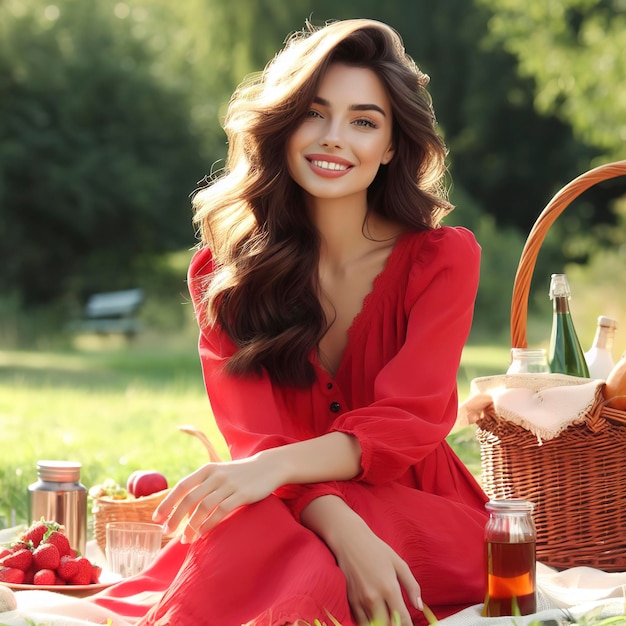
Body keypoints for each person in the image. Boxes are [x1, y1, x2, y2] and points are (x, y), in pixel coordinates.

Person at [92, 18, 489, 626]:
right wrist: (335, 520)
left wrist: (275, 474)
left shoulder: (443, 259)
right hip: (287, 510)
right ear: (282, 126)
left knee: (261, 525)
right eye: (314, 113)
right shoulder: (222, 275)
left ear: (390, 147)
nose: (334, 138)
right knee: (260, 523)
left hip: (421, 511)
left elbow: (408, 422)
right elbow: (258, 438)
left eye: (363, 121)